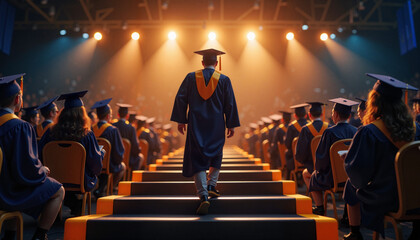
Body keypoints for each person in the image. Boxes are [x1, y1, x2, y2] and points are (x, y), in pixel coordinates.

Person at [343, 74, 420, 240]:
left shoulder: (369, 131)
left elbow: (358, 176)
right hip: (416, 196)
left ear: (374, 102)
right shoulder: (417, 128)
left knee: (351, 183)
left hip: (387, 198)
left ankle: (355, 233)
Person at [170, 48, 240, 215]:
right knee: (216, 153)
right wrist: (231, 124)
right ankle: (211, 185)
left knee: (197, 157)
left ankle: (203, 196)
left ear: (202, 63)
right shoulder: (224, 79)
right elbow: (229, 103)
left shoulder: (190, 77)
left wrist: (181, 120)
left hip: (196, 123)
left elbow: (181, 99)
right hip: (216, 124)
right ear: (216, 63)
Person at [0, 74, 64, 240]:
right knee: (58, 190)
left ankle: (9, 235)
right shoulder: (20, 127)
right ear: (17, 100)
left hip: (4, 185)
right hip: (7, 193)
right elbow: (27, 171)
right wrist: (42, 170)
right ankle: (39, 236)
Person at [38, 91, 104, 216]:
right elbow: (95, 165)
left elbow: (40, 155)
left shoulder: (50, 132)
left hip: (53, 178)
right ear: (82, 113)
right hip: (80, 180)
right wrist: (101, 155)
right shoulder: (87, 134)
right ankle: (75, 204)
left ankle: (71, 203)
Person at [309, 98, 358, 216]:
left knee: (313, 177)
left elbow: (321, 160)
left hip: (333, 178)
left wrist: (319, 169)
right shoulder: (356, 131)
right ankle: (348, 216)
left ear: (335, 114)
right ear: (349, 116)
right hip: (352, 178)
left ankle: (320, 208)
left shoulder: (329, 132)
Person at [91, 98, 126, 197]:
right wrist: (116, 160)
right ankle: (107, 189)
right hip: (108, 165)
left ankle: (100, 188)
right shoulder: (112, 130)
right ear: (108, 116)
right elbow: (118, 152)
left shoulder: (90, 129)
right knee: (122, 166)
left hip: (93, 163)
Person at [296, 102, 329, 189]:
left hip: (312, 167)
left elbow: (301, 153)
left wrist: (303, 161)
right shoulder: (329, 128)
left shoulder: (305, 130)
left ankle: (318, 200)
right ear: (322, 114)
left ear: (309, 115)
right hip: (329, 168)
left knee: (305, 173)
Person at [112, 103, 143, 171]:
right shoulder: (131, 128)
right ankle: (131, 177)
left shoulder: (112, 126)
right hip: (128, 159)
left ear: (118, 115)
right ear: (127, 116)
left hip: (114, 158)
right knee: (140, 157)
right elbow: (135, 146)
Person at [284, 104, 309, 179]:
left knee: (287, 153)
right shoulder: (310, 126)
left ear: (295, 115)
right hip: (310, 161)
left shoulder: (291, 127)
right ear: (305, 115)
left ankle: (288, 178)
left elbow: (287, 144)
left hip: (295, 160)